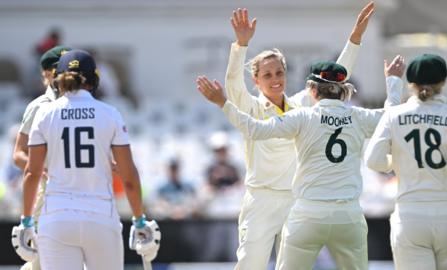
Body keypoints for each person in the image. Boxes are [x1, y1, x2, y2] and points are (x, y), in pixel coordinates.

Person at [196, 55, 405, 270]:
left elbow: (254, 129)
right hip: (348, 215)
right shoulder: (359, 116)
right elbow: (392, 117)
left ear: (312, 90)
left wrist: (223, 103)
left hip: (308, 214)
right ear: (344, 91)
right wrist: (393, 81)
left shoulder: (302, 116)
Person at [225, 3, 377, 269]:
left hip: (295, 201)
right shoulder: (251, 106)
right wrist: (240, 46)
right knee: (250, 264)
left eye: (279, 73)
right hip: (261, 198)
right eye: (267, 75)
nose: (275, 79)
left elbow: (336, 76)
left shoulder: (301, 105)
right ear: (256, 80)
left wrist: (355, 38)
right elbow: (232, 85)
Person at [11, 50, 160, 269]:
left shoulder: (44, 114)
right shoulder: (109, 113)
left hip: (56, 218)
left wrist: (25, 220)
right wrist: (139, 219)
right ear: (94, 80)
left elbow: (32, 173)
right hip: (100, 217)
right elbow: (128, 175)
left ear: (58, 80)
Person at [364, 54, 447, 270]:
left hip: (410, 217)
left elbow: (373, 160)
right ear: (443, 81)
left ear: (411, 84)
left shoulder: (394, 115)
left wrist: (398, 161)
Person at [12, 45, 72, 270]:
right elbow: (18, 154)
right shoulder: (39, 106)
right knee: (39, 263)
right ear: (46, 73)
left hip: (78, 191)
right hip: (47, 193)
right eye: (59, 69)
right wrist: (38, 168)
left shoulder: (81, 105)